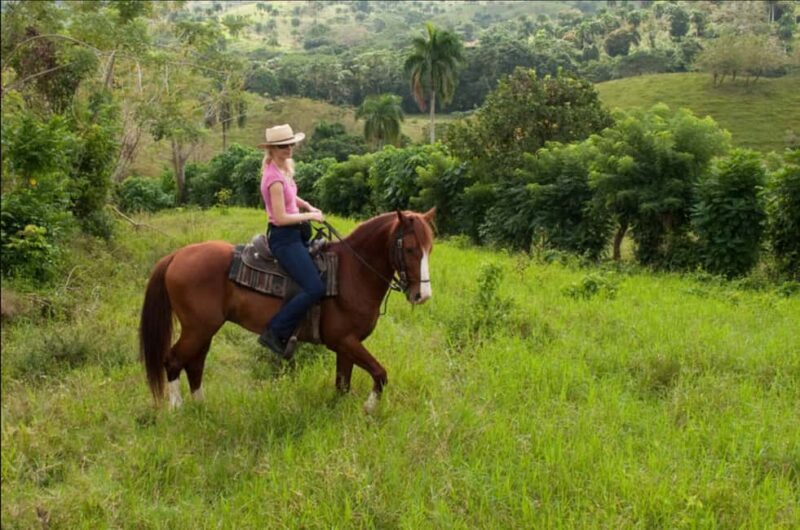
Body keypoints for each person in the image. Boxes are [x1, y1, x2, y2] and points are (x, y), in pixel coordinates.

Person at [257, 124, 325, 359]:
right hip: (284, 238)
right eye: (283, 145)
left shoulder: (282, 169)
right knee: (314, 287)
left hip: (295, 233)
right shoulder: (273, 178)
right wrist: (310, 216)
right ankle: (275, 332)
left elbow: (290, 195)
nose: (289, 148)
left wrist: (306, 204)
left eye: (290, 144)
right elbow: (280, 217)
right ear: (272, 149)